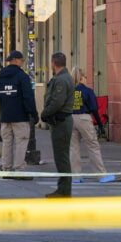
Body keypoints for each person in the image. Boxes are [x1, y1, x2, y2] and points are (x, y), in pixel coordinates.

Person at [0, 50, 37, 179]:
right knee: (21, 142)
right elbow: (28, 97)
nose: (22, 63)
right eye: (22, 60)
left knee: (7, 142)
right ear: (16, 60)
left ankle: (6, 168)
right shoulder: (22, 76)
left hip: (5, 115)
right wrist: (33, 113)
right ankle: (19, 170)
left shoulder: (1, 75)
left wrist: (5, 100)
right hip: (20, 116)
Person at [69, 68, 114, 184]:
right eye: (86, 77)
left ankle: (75, 176)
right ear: (81, 77)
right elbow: (94, 109)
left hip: (70, 118)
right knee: (92, 146)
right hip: (84, 118)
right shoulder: (87, 91)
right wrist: (100, 124)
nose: (87, 79)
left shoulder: (68, 90)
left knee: (73, 148)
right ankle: (101, 175)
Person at [41, 52, 74, 198]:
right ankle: (62, 188)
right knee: (61, 156)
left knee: (61, 157)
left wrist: (45, 113)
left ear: (53, 63)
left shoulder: (61, 80)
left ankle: (64, 190)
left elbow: (57, 101)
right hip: (60, 121)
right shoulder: (61, 78)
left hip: (61, 121)